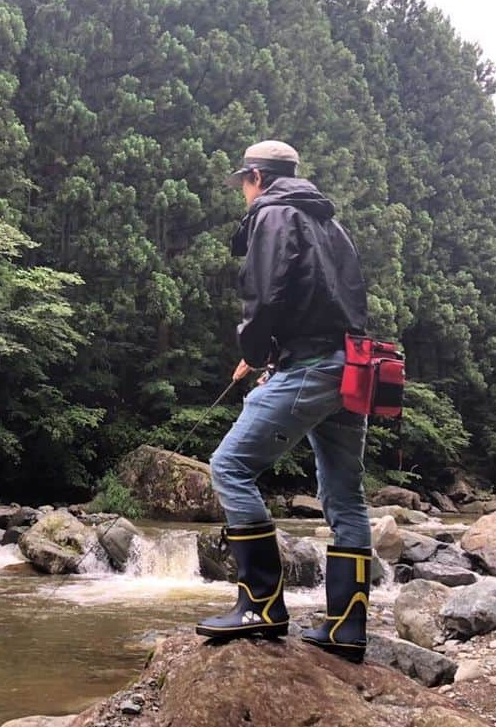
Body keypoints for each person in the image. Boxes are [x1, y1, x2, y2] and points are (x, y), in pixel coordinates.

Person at [194, 140, 373, 663]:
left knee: (229, 467)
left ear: (256, 177)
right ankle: (346, 628)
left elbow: (266, 295)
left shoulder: (273, 214)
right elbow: (340, 299)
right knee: (344, 497)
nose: (243, 196)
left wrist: (256, 350)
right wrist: (269, 358)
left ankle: (261, 606)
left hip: (310, 366)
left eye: (243, 185)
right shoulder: (328, 223)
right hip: (353, 367)